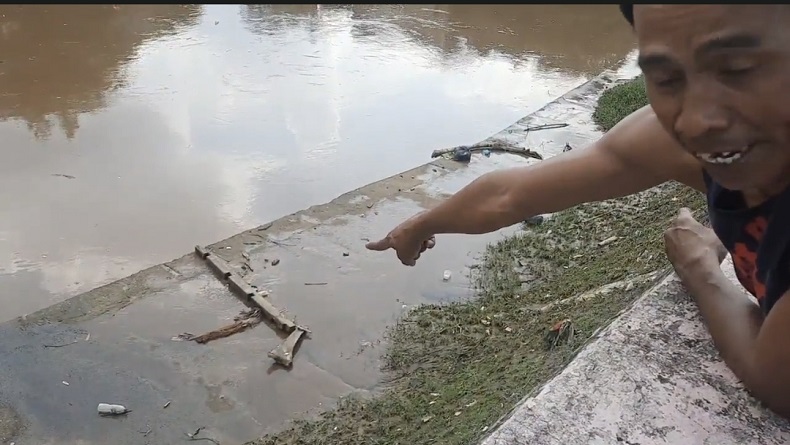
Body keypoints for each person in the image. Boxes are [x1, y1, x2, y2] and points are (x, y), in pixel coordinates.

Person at [365, 5, 790, 419]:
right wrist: (422, 223)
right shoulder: (696, 140)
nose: (696, 122)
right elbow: (511, 194)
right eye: (666, 78)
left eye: (737, 68)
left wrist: (701, 269)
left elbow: (776, 381)